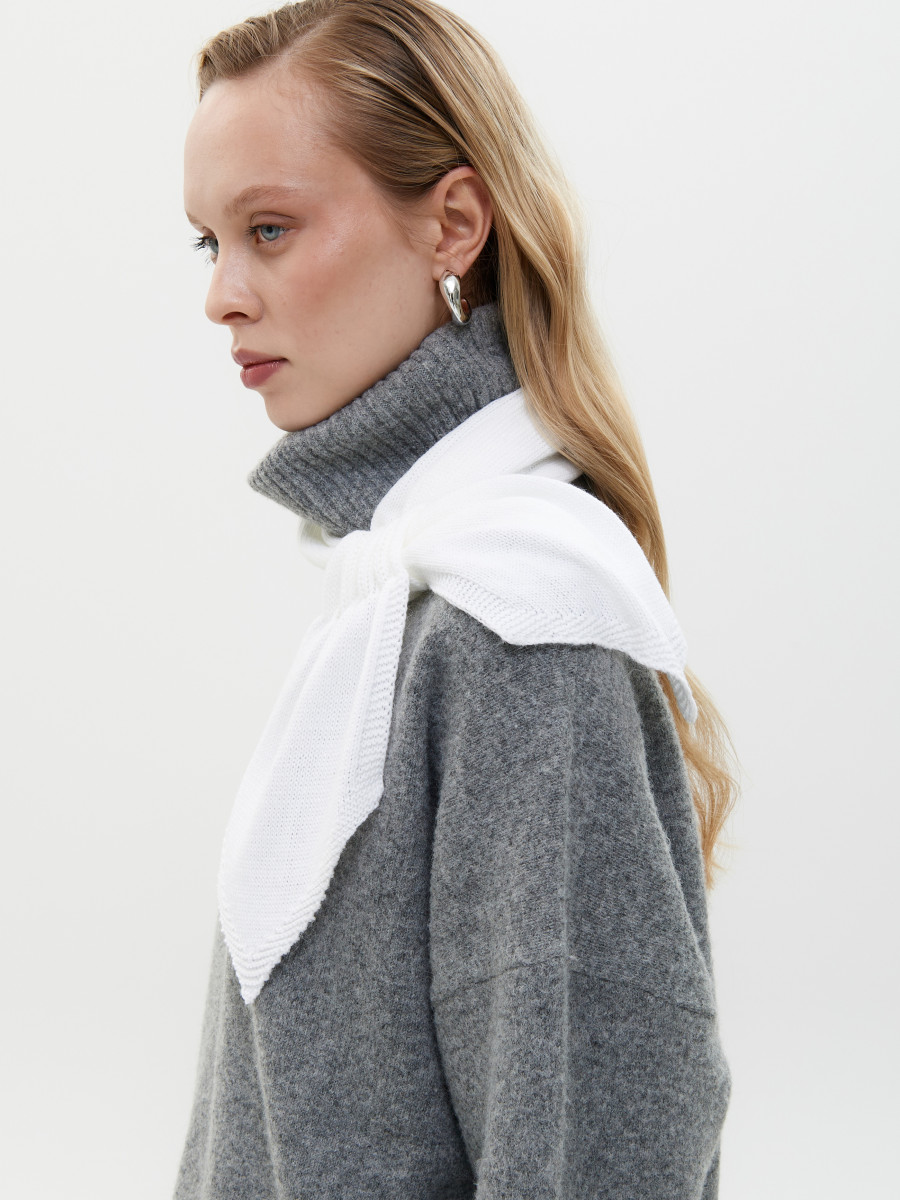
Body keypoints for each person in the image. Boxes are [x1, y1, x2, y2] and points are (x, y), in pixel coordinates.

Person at [176, 1, 738, 1195]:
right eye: (207, 242)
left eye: (269, 229)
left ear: (454, 224)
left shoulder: (521, 629)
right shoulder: (398, 603)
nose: (222, 294)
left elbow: (593, 1154)